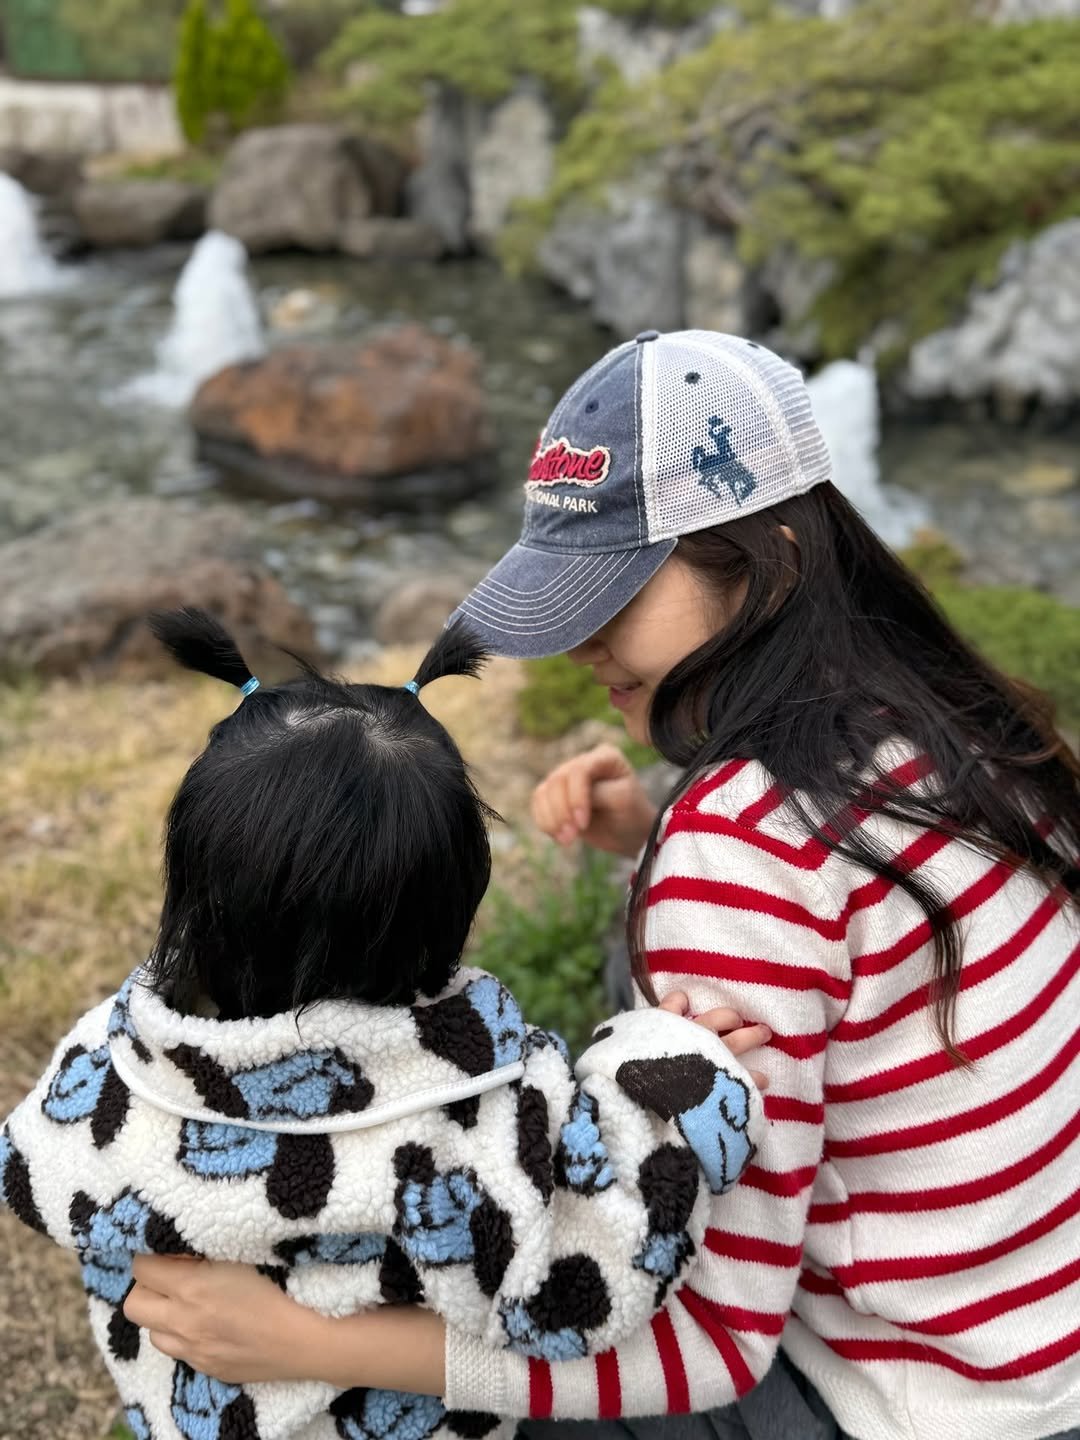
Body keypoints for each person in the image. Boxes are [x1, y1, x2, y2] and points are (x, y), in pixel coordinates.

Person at [124, 332, 1080, 1440]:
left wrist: (311, 1343)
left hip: (927, 1404)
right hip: (1034, 1339)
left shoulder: (740, 851)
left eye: (613, 593)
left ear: (767, 553)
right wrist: (656, 836)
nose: (578, 642)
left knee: (437, 1379)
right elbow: (843, 932)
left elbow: (711, 1349)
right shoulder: (940, 713)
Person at [0, 607, 770, 1440]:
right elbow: (589, 1283)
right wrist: (672, 1070)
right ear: (454, 905)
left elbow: (27, 1172)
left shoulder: (115, 1070)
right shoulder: (477, 1119)